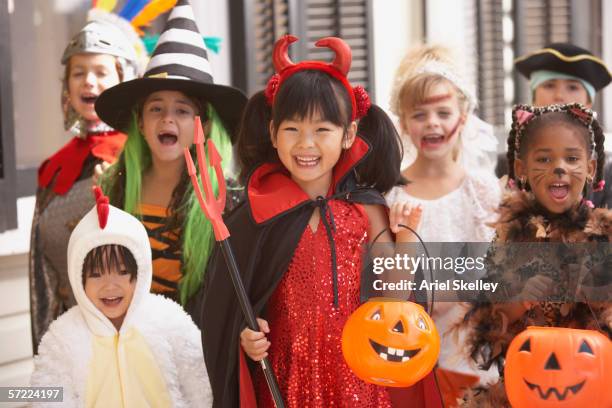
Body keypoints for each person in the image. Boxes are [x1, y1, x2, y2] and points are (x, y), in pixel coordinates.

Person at [199, 35, 445, 407]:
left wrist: (407, 243)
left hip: (355, 377)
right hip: (284, 378)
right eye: (293, 129)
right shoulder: (258, 213)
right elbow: (234, 307)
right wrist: (246, 338)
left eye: (322, 130)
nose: (306, 144)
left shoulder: (366, 210)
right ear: (273, 133)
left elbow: (393, 300)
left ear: (348, 135)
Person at [95, 0, 247, 307]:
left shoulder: (229, 200)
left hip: (197, 343)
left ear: (202, 124)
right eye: (156, 108)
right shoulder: (115, 187)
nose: (167, 119)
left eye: (182, 110)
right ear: (140, 122)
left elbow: (231, 292)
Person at [463, 103, 612, 406]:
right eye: (544, 159)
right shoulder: (510, 239)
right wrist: (521, 299)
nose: (559, 168)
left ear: (590, 168)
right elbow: (486, 328)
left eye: (572, 158)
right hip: (527, 385)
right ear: (521, 170)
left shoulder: (604, 236)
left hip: (591, 384)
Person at [385, 45, 502, 405]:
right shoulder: (391, 193)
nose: (432, 122)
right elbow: (384, 274)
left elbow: (494, 268)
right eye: (419, 114)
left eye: (443, 112)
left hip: (468, 344)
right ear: (403, 123)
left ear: (463, 117)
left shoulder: (481, 188)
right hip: (409, 342)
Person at [30, 187, 212, 406]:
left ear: (141, 273)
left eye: (123, 272)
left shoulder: (168, 320)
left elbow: (201, 382)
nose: (110, 286)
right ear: (79, 279)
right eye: (96, 275)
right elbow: (45, 394)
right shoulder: (64, 336)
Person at [29, 15, 142, 354]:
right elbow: (41, 275)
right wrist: (44, 353)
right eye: (78, 73)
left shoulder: (139, 160)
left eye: (101, 72)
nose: (88, 82)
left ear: (124, 78)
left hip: (129, 342)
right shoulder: (53, 168)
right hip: (68, 342)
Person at [496, 42, 612, 208]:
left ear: (588, 102)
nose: (559, 96)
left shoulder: (608, 169)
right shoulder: (504, 165)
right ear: (534, 98)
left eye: (572, 87)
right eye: (549, 85)